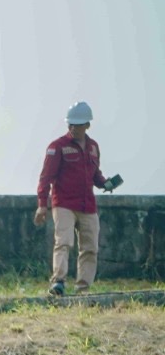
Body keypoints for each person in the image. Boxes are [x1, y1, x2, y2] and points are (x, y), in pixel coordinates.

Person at [36, 100, 117, 297]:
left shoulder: (93, 147)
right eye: (71, 124)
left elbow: (94, 174)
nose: (73, 128)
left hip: (87, 204)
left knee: (90, 248)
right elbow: (46, 177)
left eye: (78, 124)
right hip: (63, 203)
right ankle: (58, 282)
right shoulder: (57, 147)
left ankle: (83, 288)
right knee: (63, 242)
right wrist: (42, 205)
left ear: (87, 125)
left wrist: (105, 183)